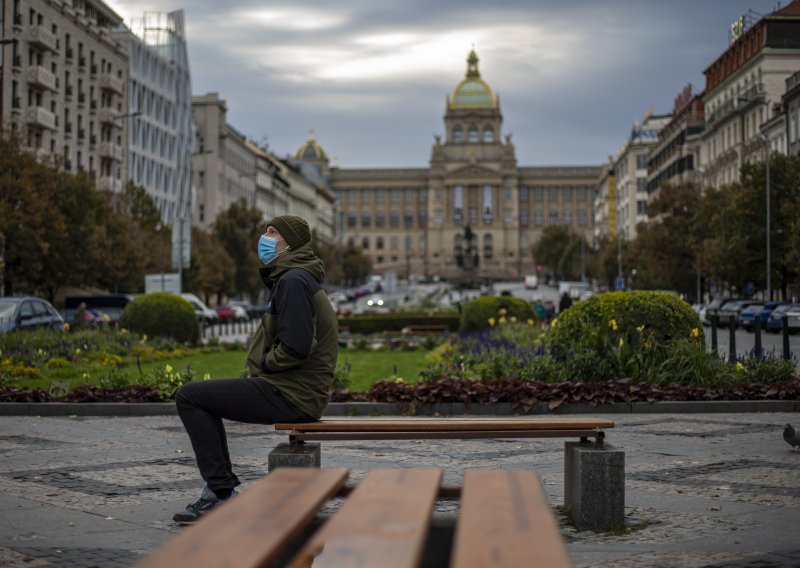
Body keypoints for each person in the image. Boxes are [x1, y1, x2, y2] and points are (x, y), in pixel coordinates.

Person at [172, 215, 339, 524]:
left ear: (290, 243)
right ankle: (219, 491)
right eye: (265, 231)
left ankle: (220, 495)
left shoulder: (293, 280)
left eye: (273, 232)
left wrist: (264, 364)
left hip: (292, 394)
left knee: (190, 397)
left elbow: (296, 346)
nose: (265, 237)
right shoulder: (297, 278)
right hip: (297, 392)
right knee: (203, 398)